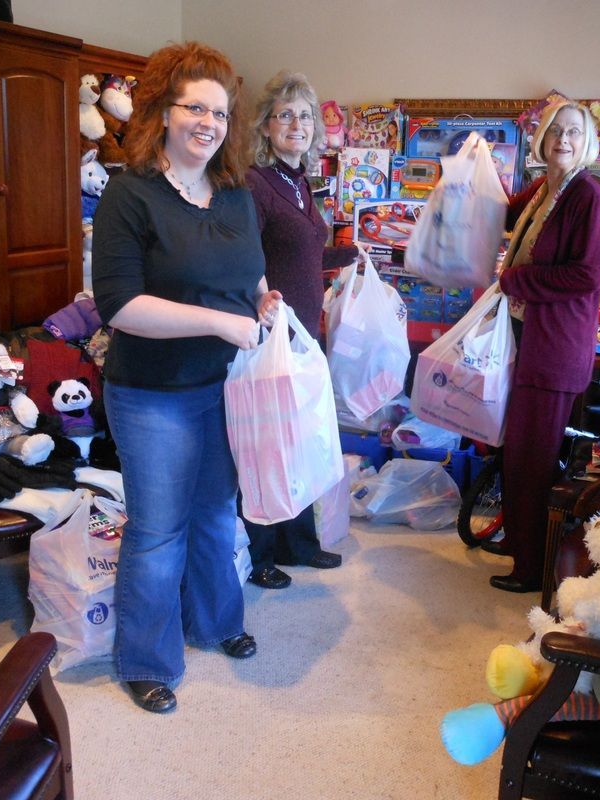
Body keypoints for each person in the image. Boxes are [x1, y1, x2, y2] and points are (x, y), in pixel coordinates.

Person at [92, 41, 280, 714]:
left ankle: (216, 622)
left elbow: (247, 271)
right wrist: (218, 323)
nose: (207, 122)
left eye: (220, 113)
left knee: (214, 514)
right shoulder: (129, 193)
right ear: (162, 113)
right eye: (194, 107)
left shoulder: (233, 195)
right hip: (152, 395)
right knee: (158, 528)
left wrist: (259, 301)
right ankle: (145, 660)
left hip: (225, 387)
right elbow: (121, 306)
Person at [489, 99, 600, 593]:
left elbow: (588, 274)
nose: (563, 139)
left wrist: (518, 280)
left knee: (533, 458)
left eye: (574, 133)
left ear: (588, 143)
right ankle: (518, 539)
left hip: (555, 347)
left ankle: (530, 566)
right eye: (555, 131)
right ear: (541, 138)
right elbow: (500, 211)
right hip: (526, 336)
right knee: (516, 450)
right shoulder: (546, 189)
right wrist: (472, 168)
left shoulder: (589, 195)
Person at [243, 71, 359, 590]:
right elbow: (246, 258)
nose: (298, 124)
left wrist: (355, 255)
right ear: (266, 125)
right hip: (273, 335)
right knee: (271, 446)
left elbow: (304, 255)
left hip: (303, 335)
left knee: (300, 442)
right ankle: (263, 552)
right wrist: (268, 312)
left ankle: (299, 543)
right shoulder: (254, 182)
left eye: (306, 115)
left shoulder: (298, 181)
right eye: (286, 114)